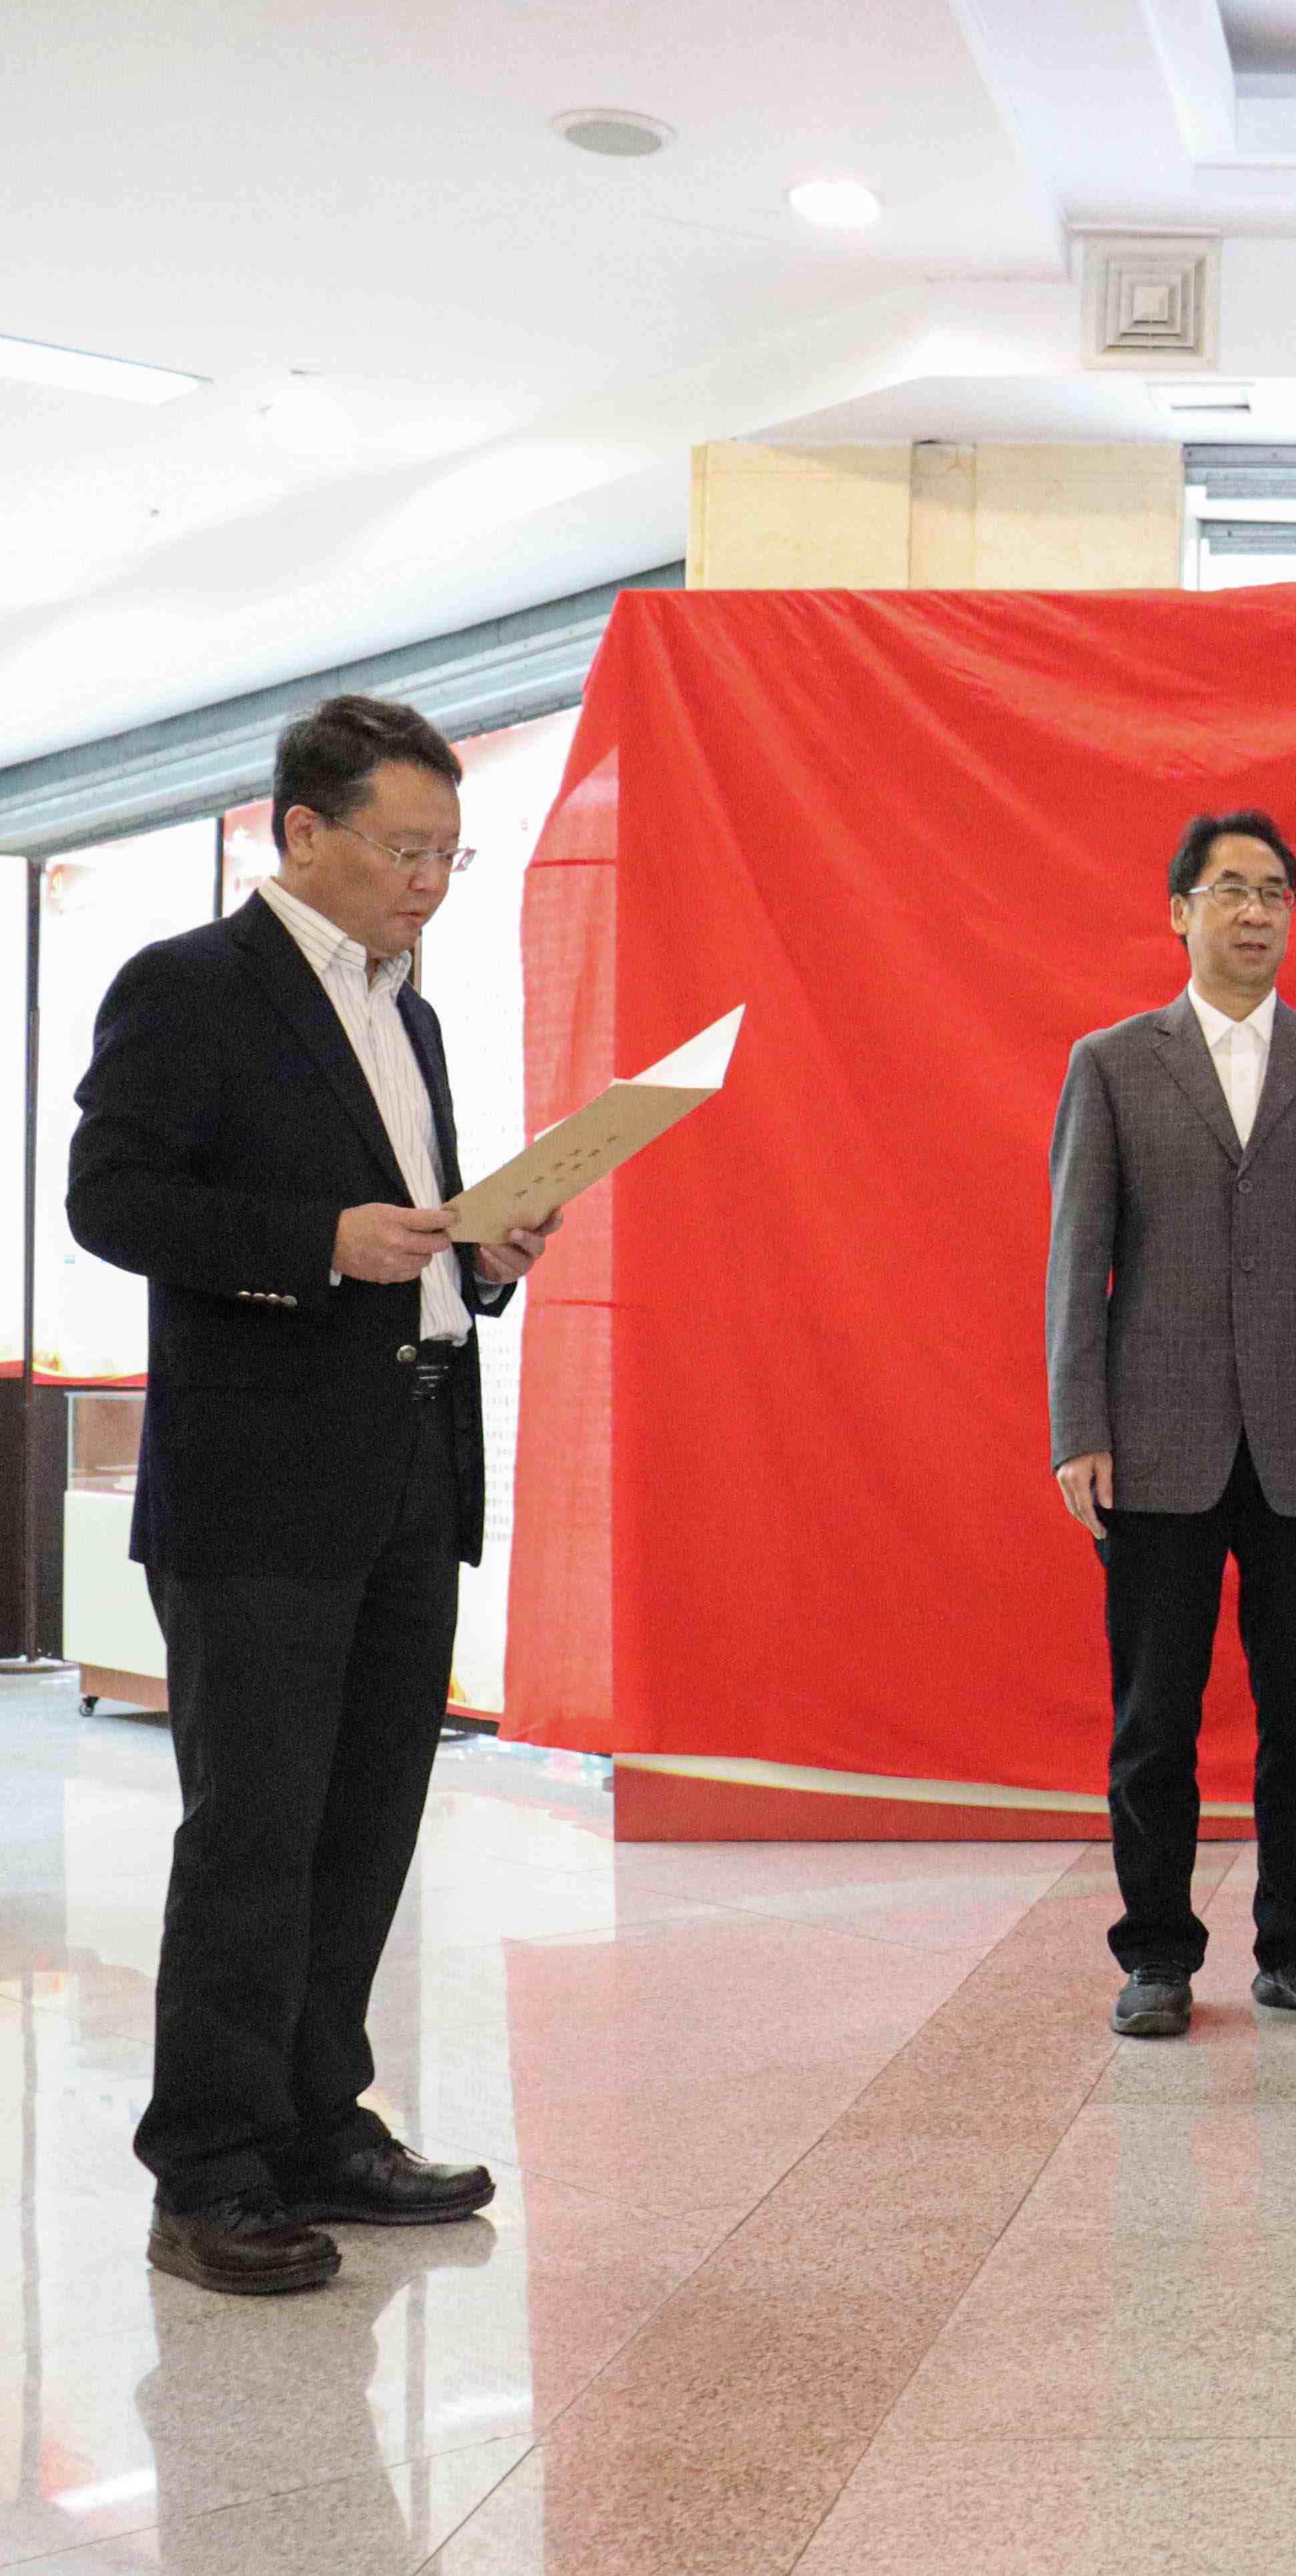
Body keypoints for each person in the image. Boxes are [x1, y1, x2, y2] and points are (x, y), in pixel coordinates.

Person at [71, 694, 559, 2294]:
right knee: (254, 1834)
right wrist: (314, 1243)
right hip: (259, 1480)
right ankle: (208, 2161)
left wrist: (477, 1251)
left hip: (410, 1459)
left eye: (449, 852)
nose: (432, 880)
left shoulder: (405, 1011)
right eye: (408, 848)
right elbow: (114, 1198)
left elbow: (402, 1221)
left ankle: (319, 2121)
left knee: (364, 1824)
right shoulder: (192, 987)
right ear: (303, 831)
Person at [1046, 811, 1296, 2042]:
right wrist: (1076, 1425)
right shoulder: (1113, 1062)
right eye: (1228, 891)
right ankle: (1155, 1954)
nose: (1254, 912)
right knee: (1155, 1714)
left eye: (1274, 892)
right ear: (1179, 911)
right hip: (1155, 1438)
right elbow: (1077, 1261)